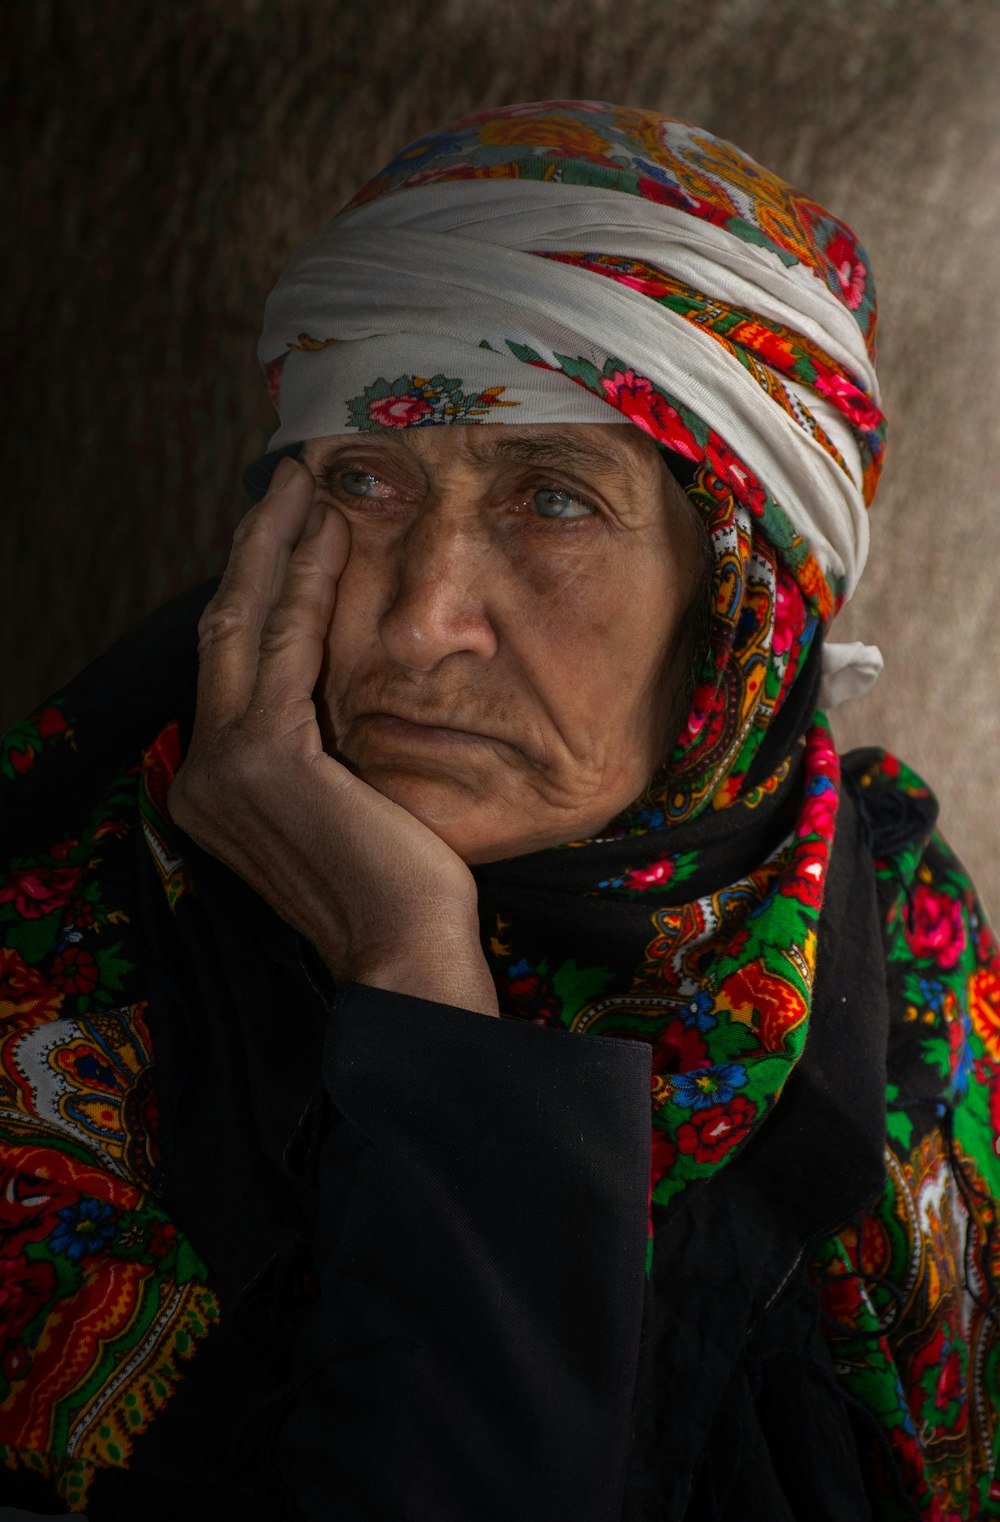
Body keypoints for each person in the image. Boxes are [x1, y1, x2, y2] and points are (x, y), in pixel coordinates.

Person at [0, 100, 997, 1522]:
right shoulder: (67, 984)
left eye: (553, 500)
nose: (418, 622)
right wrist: (416, 966)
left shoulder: (899, 942)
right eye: (364, 480)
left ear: (739, 609)